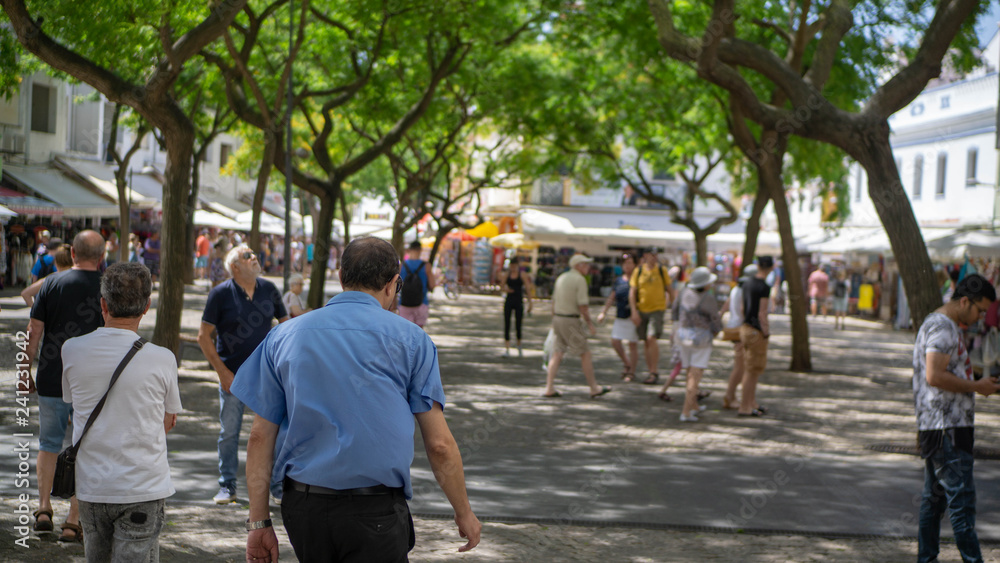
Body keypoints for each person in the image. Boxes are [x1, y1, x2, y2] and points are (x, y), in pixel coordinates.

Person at [231, 237, 481, 562]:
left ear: (340, 276)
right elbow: (439, 445)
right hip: (375, 509)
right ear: (393, 285)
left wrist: (259, 522)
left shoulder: (284, 335)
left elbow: (259, 437)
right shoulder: (413, 341)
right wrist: (464, 511)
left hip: (305, 508)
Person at [61, 262, 182, 562]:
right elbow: (168, 421)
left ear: (103, 303)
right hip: (142, 486)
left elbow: (74, 406)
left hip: (91, 486)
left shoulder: (71, 349)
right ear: (147, 306)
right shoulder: (163, 358)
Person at [22, 230, 106, 543]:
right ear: (101, 257)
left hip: (51, 375)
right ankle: (73, 520)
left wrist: (23, 369)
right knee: (84, 448)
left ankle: (43, 509)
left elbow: (34, 331)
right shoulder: (106, 286)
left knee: (49, 444)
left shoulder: (52, 283)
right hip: (92, 383)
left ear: (72, 254)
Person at [913, 273, 999, 563]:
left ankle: (927, 559)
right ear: (964, 301)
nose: (981, 318)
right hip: (948, 428)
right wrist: (977, 387)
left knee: (933, 501)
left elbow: (942, 373)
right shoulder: (943, 328)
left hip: (939, 426)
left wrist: (977, 380)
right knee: (962, 504)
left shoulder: (939, 324)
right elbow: (934, 375)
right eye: (980, 310)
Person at [198, 245, 289, 505]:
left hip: (267, 376)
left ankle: (278, 488)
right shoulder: (220, 294)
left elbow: (286, 328)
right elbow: (203, 337)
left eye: (254, 254)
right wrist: (222, 373)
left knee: (276, 432)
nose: (255, 258)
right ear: (234, 266)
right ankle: (227, 485)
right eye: (248, 256)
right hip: (233, 377)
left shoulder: (269, 289)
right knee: (229, 433)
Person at [543, 254, 611, 399]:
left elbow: (553, 301)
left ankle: (549, 387)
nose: (588, 267)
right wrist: (590, 324)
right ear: (578, 266)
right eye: (585, 264)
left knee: (558, 353)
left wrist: (554, 319)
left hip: (558, 319)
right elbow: (583, 306)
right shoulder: (579, 280)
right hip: (570, 320)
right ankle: (593, 387)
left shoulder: (562, 277)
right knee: (585, 353)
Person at [675, 267, 722, 422]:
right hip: (701, 339)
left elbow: (674, 311)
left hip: (683, 336)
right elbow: (715, 320)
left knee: (689, 373)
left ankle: (693, 405)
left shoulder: (684, 292)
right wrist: (716, 332)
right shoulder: (708, 298)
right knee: (694, 377)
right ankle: (686, 411)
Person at [629, 248, 677, 385]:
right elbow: (632, 292)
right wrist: (634, 311)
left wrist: (674, 310)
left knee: (651, 338)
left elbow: (670, 291)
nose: (654, 257)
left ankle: (654, 371)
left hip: (657, 310)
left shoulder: (662, 271)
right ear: (645, 256)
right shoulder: (638, 271)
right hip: (642, 310)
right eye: (652, 255)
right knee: (645, 340)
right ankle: (651, 371)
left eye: (656, 255)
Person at [738, 256, 774, 417]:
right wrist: (765, 331)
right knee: (752, 370)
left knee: (752, 368)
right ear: (771, 268)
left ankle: (751, 402)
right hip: (755, 330)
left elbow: (742, 308)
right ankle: (745, 406)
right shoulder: (764, 286)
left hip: (745, 328)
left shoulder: (747, 283)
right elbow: (762, 313)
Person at [720, 265, 757, 410]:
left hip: (733, 327)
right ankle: (730, 396)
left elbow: (726, 305)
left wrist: (721, 314)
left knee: (740, 366)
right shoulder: (745, 290)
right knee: (740, 367)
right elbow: (743, 309)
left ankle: (733, 396)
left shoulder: (736, 288)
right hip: (741, 329)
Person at [597, 253, 639, 381]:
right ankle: (627, 363)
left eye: (630, 263)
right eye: (625, 263)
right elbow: (612, 296)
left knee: (633, 344)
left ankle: (631, 371)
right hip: (620, 315)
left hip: (633, 316)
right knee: (615, 341)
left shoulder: (638, 279)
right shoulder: (619, 280)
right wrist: (604, 311)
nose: (627, 266)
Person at [499, 257, 533, 357]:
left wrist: (530, 302)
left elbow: (527, 288)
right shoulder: (507, 275)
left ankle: (519, 345)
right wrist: (507, 290)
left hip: (518, 300)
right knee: (507, 323)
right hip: (509, 300)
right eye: (511, 266)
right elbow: (501, 286)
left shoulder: (522, 275)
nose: (513, 268)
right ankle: (507, 347)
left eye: (514, 266)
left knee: (518, 324)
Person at [398, 240, 436, 328]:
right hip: (421, 302)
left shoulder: (401, 266)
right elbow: (432, 285)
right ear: (420, 250)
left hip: (404, 303)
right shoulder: (426, 266)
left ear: (409, 250)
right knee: (419, 332)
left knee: (405, 331)